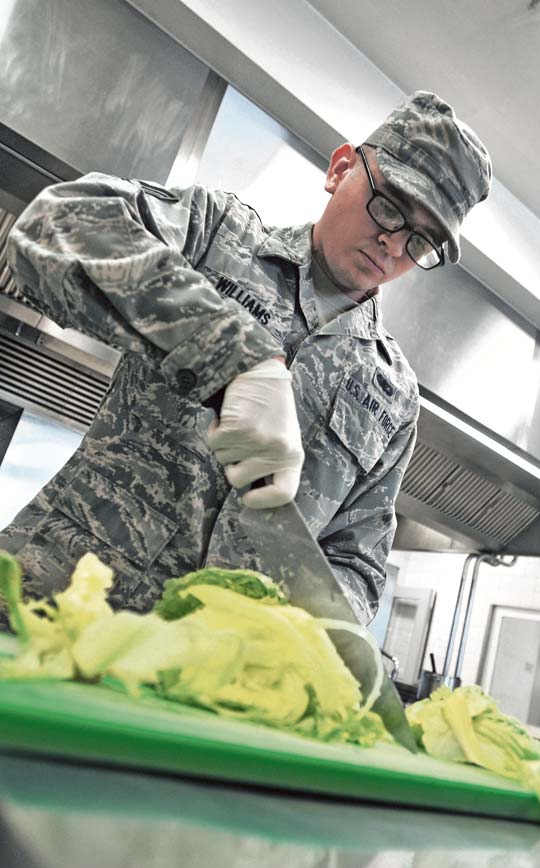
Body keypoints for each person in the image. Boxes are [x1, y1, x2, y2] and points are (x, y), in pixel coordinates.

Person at [0, 91, 491, 624]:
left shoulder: (392, 398)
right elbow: (56, 224)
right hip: (46, 611)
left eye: (423, 243)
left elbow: (356, 562)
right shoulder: (216, 234)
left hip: (199, 682)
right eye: (391, 207)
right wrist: (235, 357)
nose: (394, 246)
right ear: (341, 168)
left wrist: (311, 633)